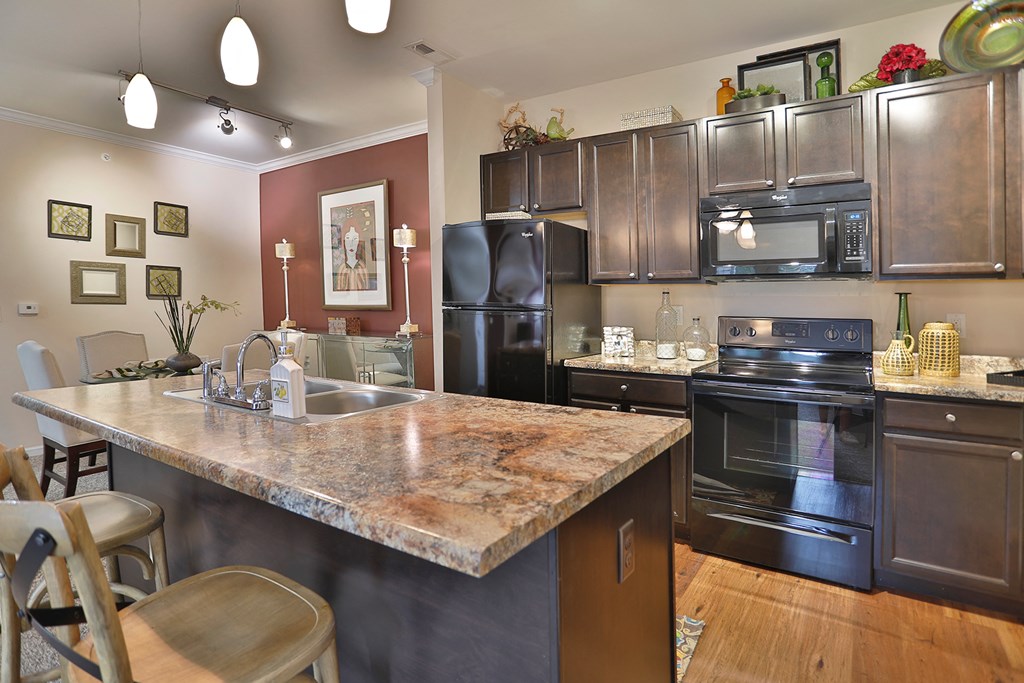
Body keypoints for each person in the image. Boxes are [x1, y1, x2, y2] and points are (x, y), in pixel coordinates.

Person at [335, 226, 369, 291]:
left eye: (355, 239)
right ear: (344, 242)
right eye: (348, 238)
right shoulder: (342, 268)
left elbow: (366, 290)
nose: (351, 244)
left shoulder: (362, 267)